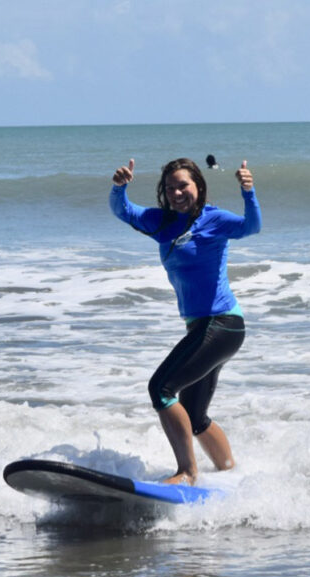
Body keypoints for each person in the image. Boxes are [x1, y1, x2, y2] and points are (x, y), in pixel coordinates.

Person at [109, 157, 261, 485]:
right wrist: (119, 188)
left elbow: (251, 227)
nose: (177, 192)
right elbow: (124, 212)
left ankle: (188, 473)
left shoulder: (214, 218)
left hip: (222, 324)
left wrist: (248, 192)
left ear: (199, 187)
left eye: (183, 185)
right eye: (170, 187)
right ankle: (231, 475)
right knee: (194, 416)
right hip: (202, 328)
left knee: (161, 388)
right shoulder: (161, 222)